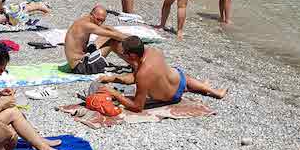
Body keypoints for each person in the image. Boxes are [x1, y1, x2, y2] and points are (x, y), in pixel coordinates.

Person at [96, 37, 226, 109]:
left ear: (133, 55)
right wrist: (112, 78)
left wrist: (115, 93)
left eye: (125, 53)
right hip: (180, 81)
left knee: (150, 83)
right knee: (179, 74)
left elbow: (137, 106)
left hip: (171, 97)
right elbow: (136, 76)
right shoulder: (153, 51)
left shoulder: (142, 74)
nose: (123, 55)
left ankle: (197, 88)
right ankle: (212, 90)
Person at [64, 5, 136, 74]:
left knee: (108, 36)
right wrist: (135, 41)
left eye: (102, 20)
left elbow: (107, 28)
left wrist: (126, 35)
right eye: (98, 20)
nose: (100, 23)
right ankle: (135, 65)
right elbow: (114, 35)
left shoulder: (85, 19)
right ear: (91, 14)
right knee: (113, 41)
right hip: (81, 67)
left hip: (82, 58)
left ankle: (133, 58)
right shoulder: (87, 25)